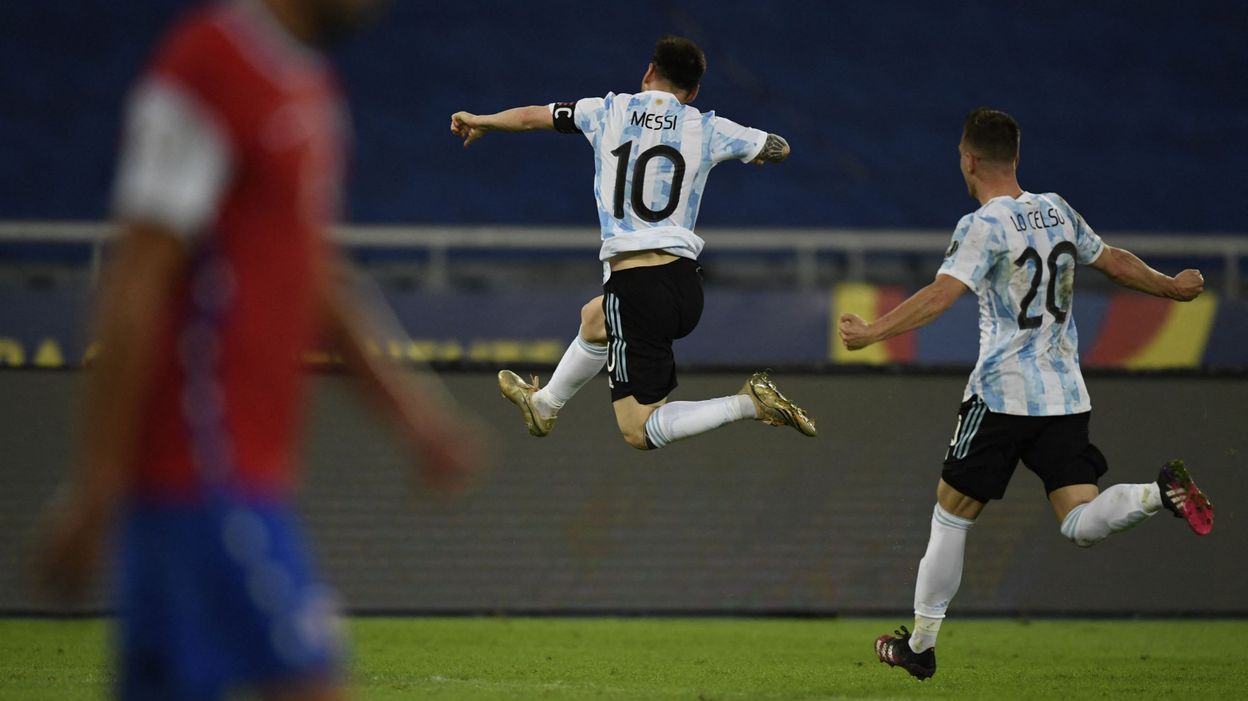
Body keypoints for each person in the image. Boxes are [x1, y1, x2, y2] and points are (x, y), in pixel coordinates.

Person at [36, 1, 487, 699]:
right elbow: (136, 273)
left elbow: (313, 276)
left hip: (216, 482)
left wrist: (414, 415)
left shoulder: (307, 86)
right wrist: (96, 484)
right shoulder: (211, 66)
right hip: (207, 473)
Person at [838, 107, 1214, 681]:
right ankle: (1155, 494)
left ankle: (921, 644)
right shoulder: (1058, 209)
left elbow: (941, 297)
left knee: (951, 517)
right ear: (1015, 158)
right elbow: (1110, 260)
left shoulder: (982, 225)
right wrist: (1169, 287)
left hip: (1001, 394)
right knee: (1079, 520)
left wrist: (872, 332)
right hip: (1065, 396)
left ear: (968, 160)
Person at [448, 35, 816, 451]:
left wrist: (482, 120)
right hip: (684, 285)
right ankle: (545, 405)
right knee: (595, 319)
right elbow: (779, 147)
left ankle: (748, 404)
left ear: (648, 73)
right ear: (692, 91)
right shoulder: (708, 126)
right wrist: (760, 150)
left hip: (637, 286)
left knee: (638, 431)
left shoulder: (607, 110)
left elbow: (534, 116)